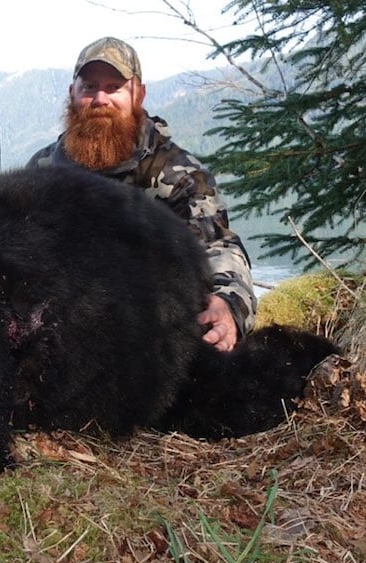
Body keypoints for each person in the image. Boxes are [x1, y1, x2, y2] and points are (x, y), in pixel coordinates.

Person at [27, 36, 255, 352]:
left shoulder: (177, 173)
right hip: (56, 333)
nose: (100, 99)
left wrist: (229, 304)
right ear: (72, 94)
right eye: (89, 87)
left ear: (138, 94)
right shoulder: (41, 170)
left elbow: (218, 246)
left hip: (145, 335)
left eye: (114, 87)